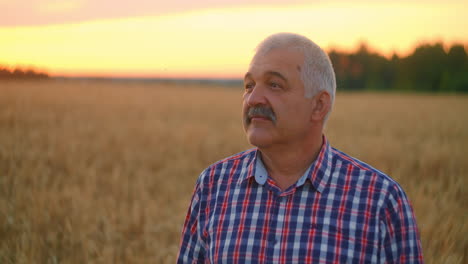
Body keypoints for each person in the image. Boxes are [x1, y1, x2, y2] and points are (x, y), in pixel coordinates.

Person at [177, 32, 423, 263]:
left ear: (318, 105)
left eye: (274, 85)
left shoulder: (380, 201)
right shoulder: (212, 186)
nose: (253, 99)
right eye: (249, 85)